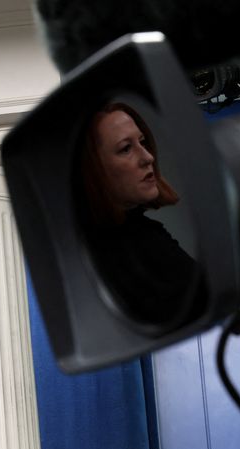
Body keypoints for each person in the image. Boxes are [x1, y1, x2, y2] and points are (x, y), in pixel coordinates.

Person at [77, 102, 204, 326]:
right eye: (126, 148)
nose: (148, 158)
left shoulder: (148, 235)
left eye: (143, 142)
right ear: (93, 168)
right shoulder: (101, 253)